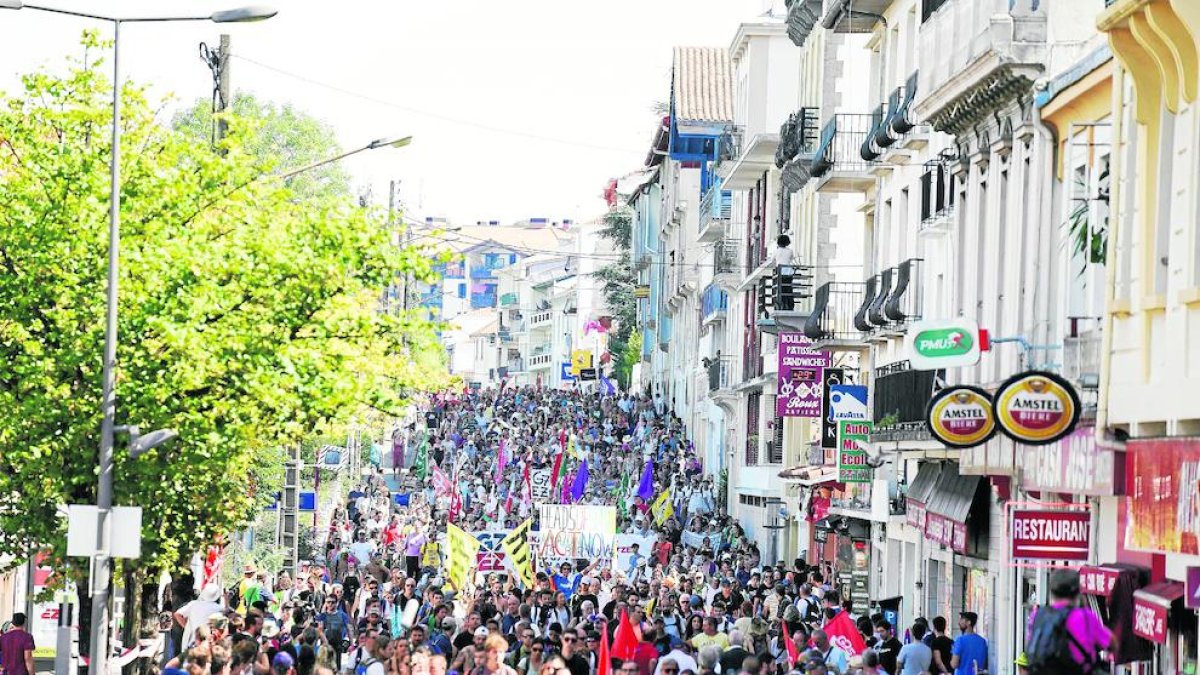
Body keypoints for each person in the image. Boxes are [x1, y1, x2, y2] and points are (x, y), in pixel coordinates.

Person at [1025, 568, 1113, 674]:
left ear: (1052, 592)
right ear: (1077, 592)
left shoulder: (1038, 615)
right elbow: (1111, 643)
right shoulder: (1085, 617)